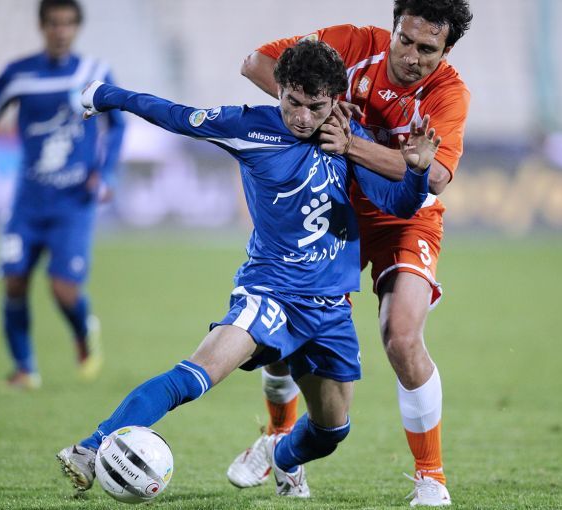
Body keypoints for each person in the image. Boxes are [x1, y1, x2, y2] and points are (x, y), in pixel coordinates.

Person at [56, 40, 440, 499]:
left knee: (332, 430)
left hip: (330, 307)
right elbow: (176, 115)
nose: (302, 117)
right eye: (292, 102)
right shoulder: (248, 126)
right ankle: (91, 446)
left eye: (315, 107)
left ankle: (282, 457)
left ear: (335, 100)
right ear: (279, 90)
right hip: (270, 293)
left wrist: (417, 171)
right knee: (196, 375)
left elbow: (398, 203)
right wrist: (107, 95)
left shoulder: (348, 138)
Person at [230, 0, 472, 505]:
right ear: (393, 29)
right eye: (405, 40)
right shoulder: (351, 44)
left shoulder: (449, 94)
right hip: (334, 204)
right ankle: (278, 439)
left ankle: (431, 476)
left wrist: (349, 141)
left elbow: (434, 176)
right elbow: (255, 63)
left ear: (446, 51)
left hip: (404, 216)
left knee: (401, 337)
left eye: (427, 49)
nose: (411, 55)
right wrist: (315, 111)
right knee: (285, 325)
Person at [0, 0, 125, 390]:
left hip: (73, 202)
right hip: (27, 200)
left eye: (68, 23)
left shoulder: (94, 72)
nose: (61, 31)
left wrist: (106, 171)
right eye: (53, 24)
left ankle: (83, 331)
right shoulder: (19, 73)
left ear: (77, 27)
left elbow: (117, 126)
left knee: (63, 288)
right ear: (42, 27)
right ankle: (24, 369)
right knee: (14, 280)